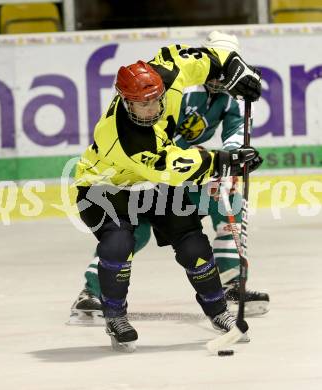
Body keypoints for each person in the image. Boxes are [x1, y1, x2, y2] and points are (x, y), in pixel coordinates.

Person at [73, 31, 262, 351]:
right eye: (139, 105)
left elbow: (196, 58)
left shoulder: (168, 74)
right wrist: (225, 161)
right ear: (124, 100)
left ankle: (219, 311)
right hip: (104, 188)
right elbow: (173, 165)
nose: (150, 111)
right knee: (120, 242)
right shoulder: (130, 138)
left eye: (154, 101)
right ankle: (114, 314)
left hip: (153, 185)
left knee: (192, 244)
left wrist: (230, 64)